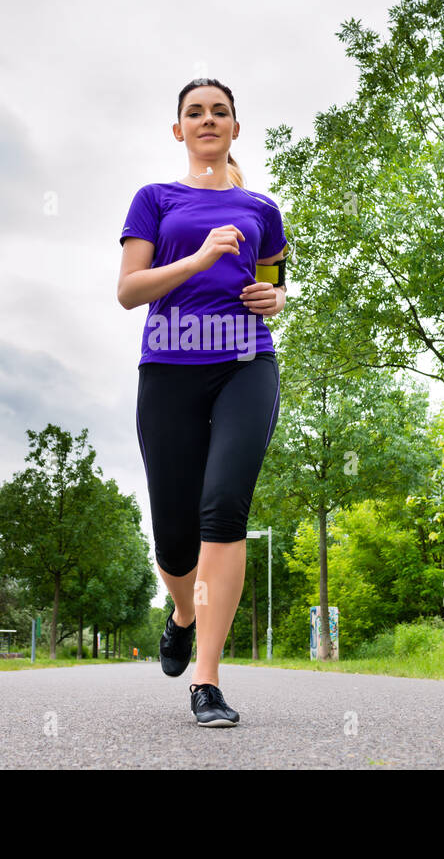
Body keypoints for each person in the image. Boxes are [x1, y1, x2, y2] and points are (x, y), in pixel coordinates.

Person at [116, 78, 288, 727]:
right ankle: (183, 613)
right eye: (195, 111)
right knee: (174, 539)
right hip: (169, 368)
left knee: (224, 505)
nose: (208, 119)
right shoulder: (154, 200)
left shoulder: (262, 209)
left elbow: (270, 285)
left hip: (246, 361)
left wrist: (274, 299)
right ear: (178, 129)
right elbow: (130, 290)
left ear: (235, 128)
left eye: (220, 111)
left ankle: (207, 680)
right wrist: (197, 255)